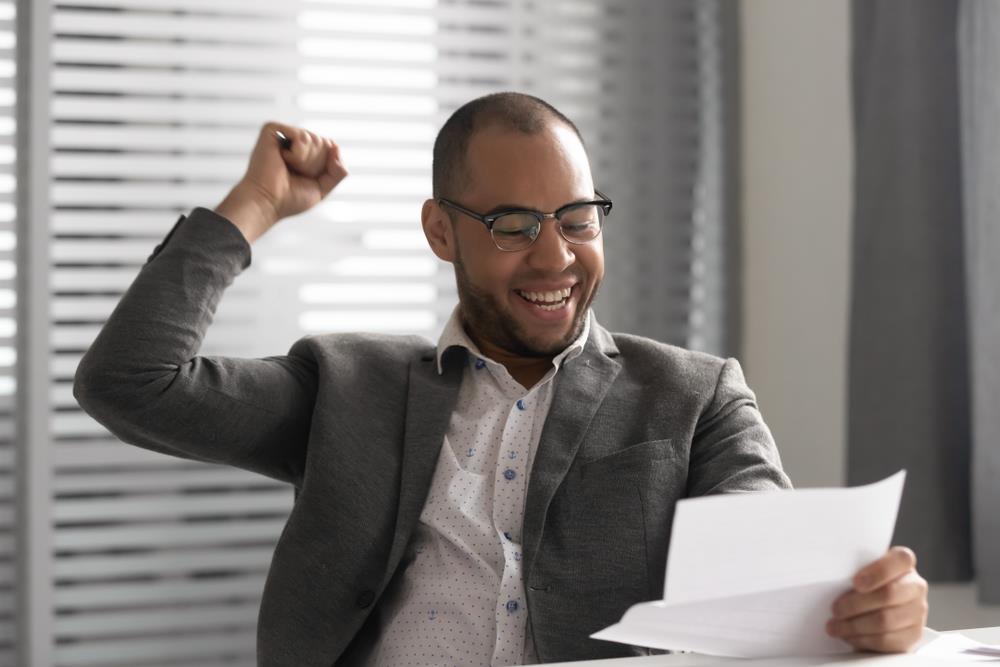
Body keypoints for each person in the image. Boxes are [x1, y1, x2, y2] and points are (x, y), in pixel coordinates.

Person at [74, 92, 929, 666]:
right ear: (442, 232)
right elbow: (131, 381)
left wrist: (863, 607)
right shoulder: (348, 386)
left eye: (576, 218)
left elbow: (766, 557)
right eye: (514, 224)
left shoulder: (692, 395)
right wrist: (252, 209)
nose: (555, 254)